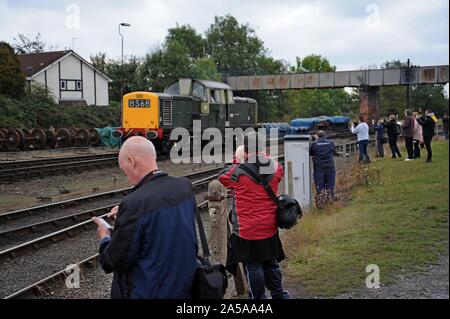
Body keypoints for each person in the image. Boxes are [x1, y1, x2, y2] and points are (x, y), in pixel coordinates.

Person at [92, 136, 198, 299]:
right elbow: (162, 219)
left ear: (131, 161)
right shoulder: (184, 187)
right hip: (184, 290)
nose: (125, 174)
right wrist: (126, 214)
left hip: (149, 292)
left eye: (123, 168)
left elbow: (112, 261)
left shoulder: (134, 204)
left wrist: (105, 236)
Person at [218, 132, 289, 300]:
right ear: (263, 146)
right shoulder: (276, 167)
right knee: (271, 262)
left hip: (247, 229)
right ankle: (279, 294)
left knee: (253, 265)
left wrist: (237, 159)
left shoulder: (237, 172)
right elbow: (277, 174)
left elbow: (222, 177)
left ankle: (258, 299)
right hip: (269, 226)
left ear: (246, 148)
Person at [309, 130, 337, 207]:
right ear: (325, 136)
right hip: (330, 167)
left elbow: (311, 153)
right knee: (330, 185)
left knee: (320, 187)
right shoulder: (330, 143)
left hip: (319, 168)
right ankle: (330, 202)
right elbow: (334, 152)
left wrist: (315, 140)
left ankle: (320, 203)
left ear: (317, 136)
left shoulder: (314, 144)